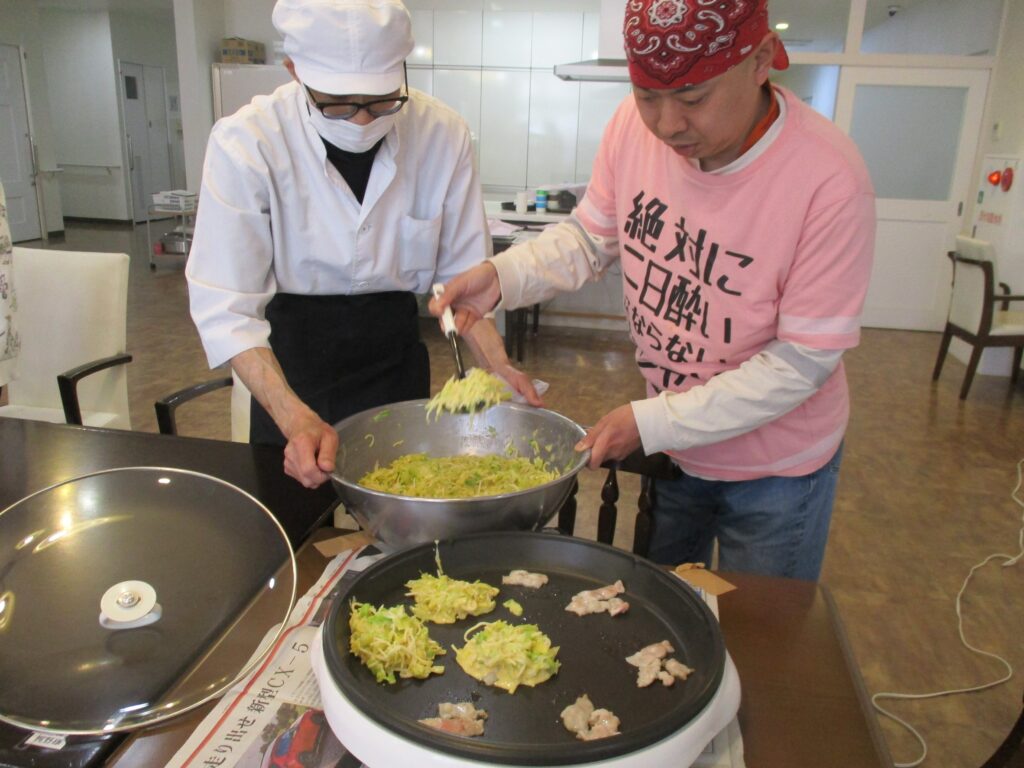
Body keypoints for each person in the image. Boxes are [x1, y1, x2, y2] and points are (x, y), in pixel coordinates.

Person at [431, 0, 876, 579]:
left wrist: (653, 423)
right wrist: (502, 277)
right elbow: (590, 238)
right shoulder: (630, 129)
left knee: (761, 622)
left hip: (777, 471)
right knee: (662, 604)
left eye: (693, 99)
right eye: (647, 96)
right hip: (675, 448)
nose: (667, 125)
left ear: (761, 60)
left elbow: (801, 362)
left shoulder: (828, 177)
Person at [186, 0, 539, 490]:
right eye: (337, 104)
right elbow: (227, 308)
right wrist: (293, 417)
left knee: (402, 498)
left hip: (393, 363)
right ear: (294, 71)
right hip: (290, 369)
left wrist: (496, 366)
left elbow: (463, 282)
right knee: (297, 514)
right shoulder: (247, 143)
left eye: (380, 102)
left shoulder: (441, 134)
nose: (360, 122)